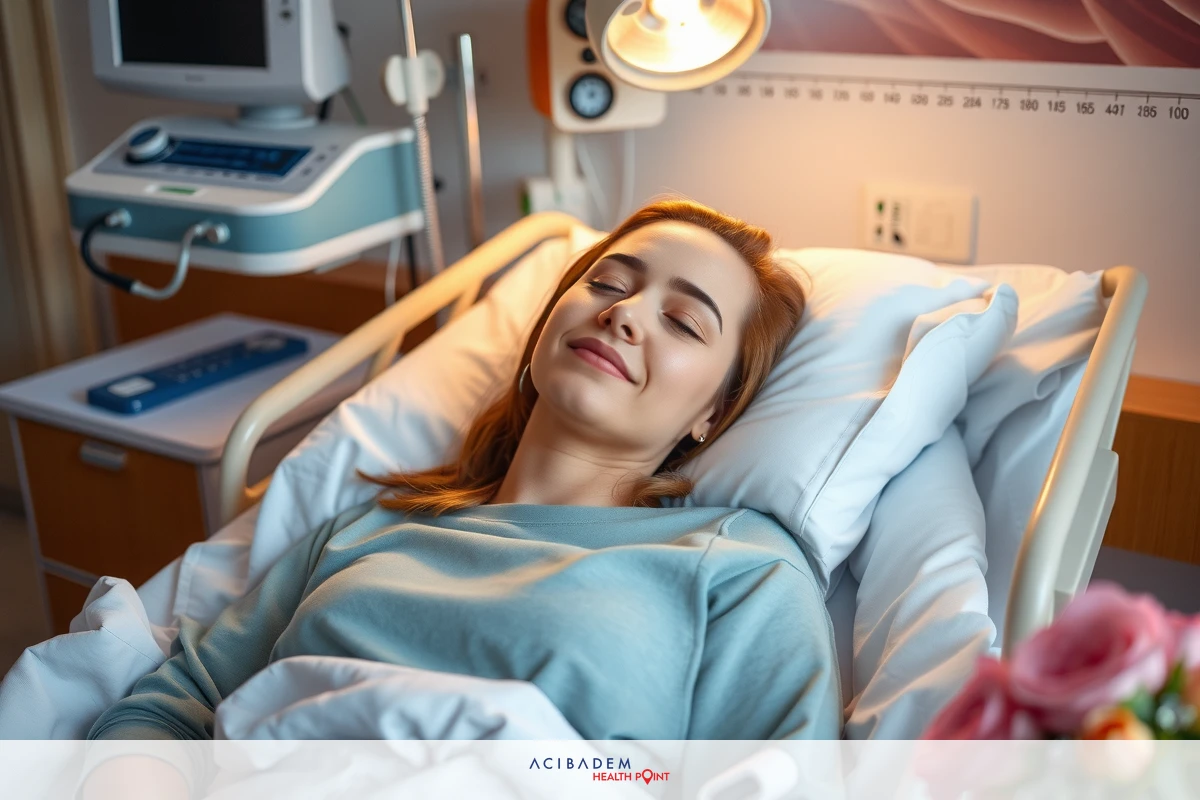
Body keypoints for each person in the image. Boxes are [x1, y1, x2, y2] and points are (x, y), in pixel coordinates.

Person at [82, 200, 841, 795]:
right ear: (551, 322)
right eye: (608, 284)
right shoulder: (367, 530)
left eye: (682, 322)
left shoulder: (737, 572)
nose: (626, 313)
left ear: (713, 413)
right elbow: (169, 709)